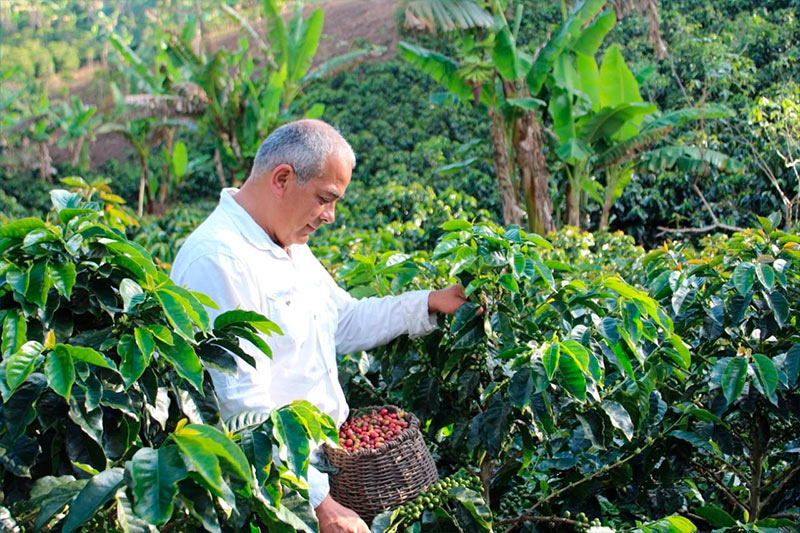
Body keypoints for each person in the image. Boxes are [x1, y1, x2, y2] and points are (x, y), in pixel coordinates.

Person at [170, 119, 470, 533]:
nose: (330, 216)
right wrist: (318, 503)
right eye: (325, 199)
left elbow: (342, 320)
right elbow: (243, 408)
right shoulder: (218, 261)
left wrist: (430, 302)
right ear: (282, 179)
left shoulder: (289, 243)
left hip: (325, 466)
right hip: (278, 492)